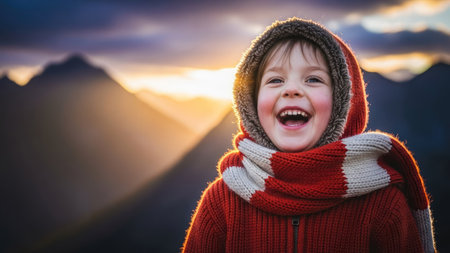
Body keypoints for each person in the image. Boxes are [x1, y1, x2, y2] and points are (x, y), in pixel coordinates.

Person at [182, 17, 436, 253]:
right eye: (275, 80)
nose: (292, 89)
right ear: (250, 102)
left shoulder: (382, 204)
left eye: (313, 79)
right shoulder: (222, 201)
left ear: (344, 102)